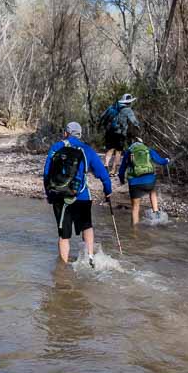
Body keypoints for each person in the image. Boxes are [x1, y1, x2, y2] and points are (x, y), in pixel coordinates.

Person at [44, 122, 113, 264]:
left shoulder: (56, 147)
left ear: (65, 133)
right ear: (80, 134)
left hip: (60, 197)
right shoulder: (87, 150)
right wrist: (108, 192)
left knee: (64, 235)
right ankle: (90, 259)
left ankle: (62, 270)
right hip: (82, 196)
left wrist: (49, 195)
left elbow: (46, 174)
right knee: (87, 227)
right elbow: (103, 175)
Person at [119, 136, 169, 226]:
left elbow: (122, 169)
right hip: (149, 181)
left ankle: (134, 232)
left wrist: (121, 180)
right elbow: (160, 161)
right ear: (142, 143)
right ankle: (156, 211)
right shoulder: (148, 150)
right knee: (152, 191)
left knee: (135, 207)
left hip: (134, 183)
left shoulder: (128, 152)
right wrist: (167, 160)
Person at [98, 94, 140, 176]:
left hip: (110, 132)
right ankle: (113, 171)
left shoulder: (112, 107)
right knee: (118, 152)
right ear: (129, 102)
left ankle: (105, 165)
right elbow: (134, 121)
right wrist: (138, 127)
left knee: (110, 150)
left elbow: (102, 116)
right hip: (120, 134)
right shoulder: (128, 110)